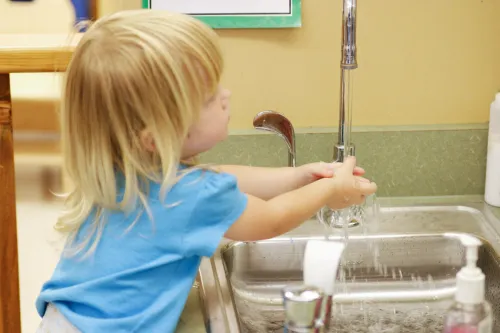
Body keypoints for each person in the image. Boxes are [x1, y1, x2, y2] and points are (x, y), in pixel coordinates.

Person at [35, 9, 377, 333]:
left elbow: (221, 177)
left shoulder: (124, 170)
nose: (226, 95)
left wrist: (299, 176)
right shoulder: (189, 197)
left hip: (64, 319)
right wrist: (330, 191)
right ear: (155, 137)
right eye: (210, 98)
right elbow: (270, 219)